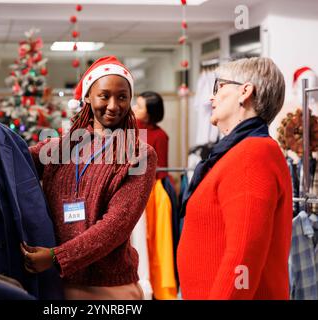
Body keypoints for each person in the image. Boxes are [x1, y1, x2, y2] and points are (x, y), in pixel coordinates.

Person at [21, 56, 158, 300]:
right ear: (87, 97)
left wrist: (57, 257)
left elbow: (115, 226)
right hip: (56, 282)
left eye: (122, 97)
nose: (114, 105)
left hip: (108, 288)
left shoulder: (139, 154)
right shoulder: (59, 147)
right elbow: (11, 160)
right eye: (104, 95)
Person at [177, 57, 292, 299]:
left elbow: (244, 253)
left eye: (218, 88)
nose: (211, 98)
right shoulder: (238, 152)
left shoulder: (253, 154)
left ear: (245, 91)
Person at [133, 91, 170, 180]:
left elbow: (162, 171)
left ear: (149, 113)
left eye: (139, 107)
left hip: (148, 186)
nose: (134, 108)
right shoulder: (129, 127)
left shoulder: (160, 135)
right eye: (136, 104)